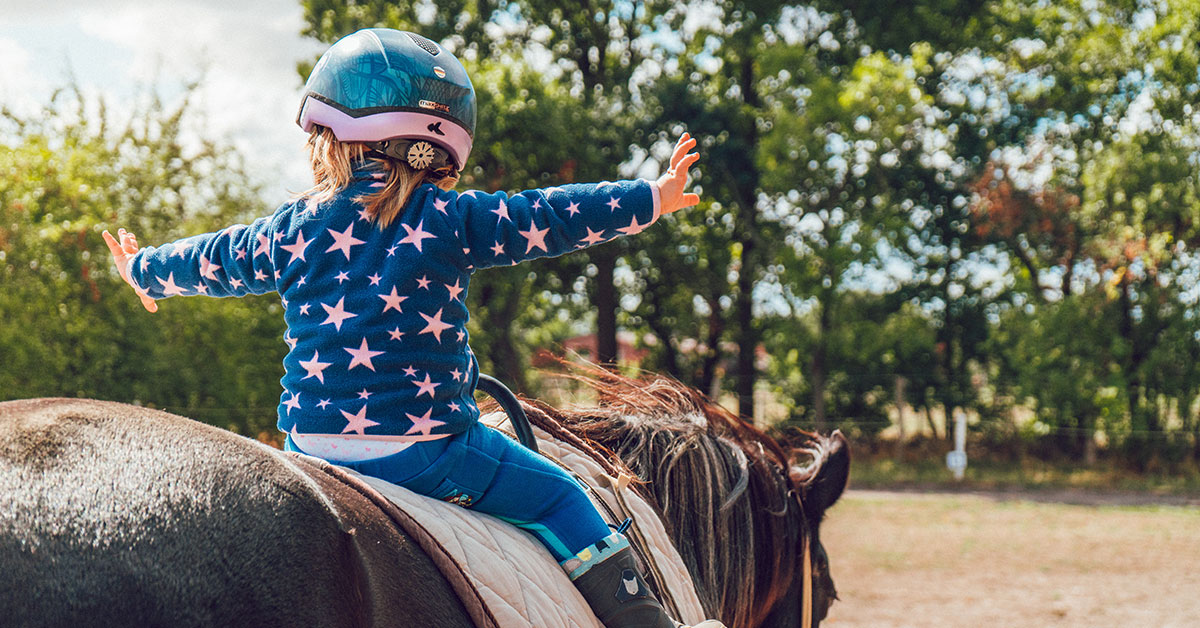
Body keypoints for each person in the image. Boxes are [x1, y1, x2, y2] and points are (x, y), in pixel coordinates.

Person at [104, 28, 721, 628]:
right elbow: (550, 213)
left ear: (330, 137)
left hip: (310, 448)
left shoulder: (290, 229)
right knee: (561, 498)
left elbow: (217, 257)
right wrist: (653, 198)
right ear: (441, 149)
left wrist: (144, 269)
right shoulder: (452, 218)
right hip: (425, 451)